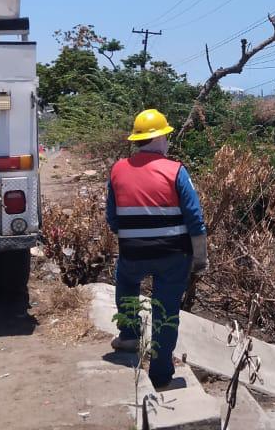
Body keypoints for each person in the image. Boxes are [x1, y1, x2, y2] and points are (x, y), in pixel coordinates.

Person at [105, 108, 208, 390]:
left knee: (126, 282)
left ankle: (129, 336)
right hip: (174, 256)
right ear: (160, 138)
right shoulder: (176, 171)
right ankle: (161, 376)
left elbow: (112, 217)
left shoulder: (117, 170)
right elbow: (195, 218)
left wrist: (133, 238)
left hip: (132, 253)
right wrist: (200, 257)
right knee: (166, 311)